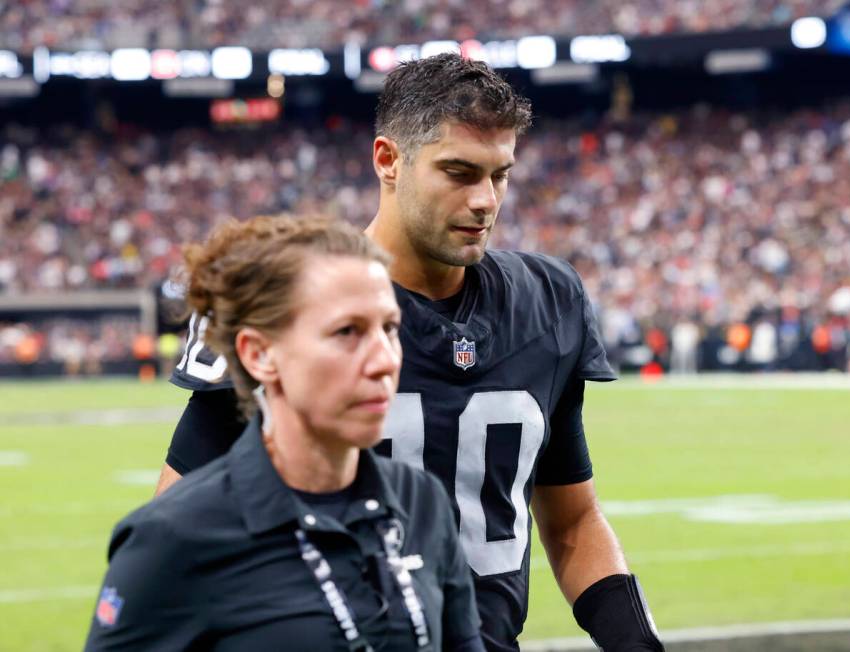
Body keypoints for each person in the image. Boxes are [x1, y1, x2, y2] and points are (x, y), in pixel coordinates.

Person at [159, 54, 664, 652]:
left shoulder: (547, 302)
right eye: (459, 172)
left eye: (499, 175)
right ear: (388, 160)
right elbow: (178, 533)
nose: (485, 201)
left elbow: (573, 518)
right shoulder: (288, 300)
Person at [85, 216, 485, 651]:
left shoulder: (421, 502)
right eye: (347, 332)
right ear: (259, 355)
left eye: (389, 328)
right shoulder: (172, 538)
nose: (385, 360)